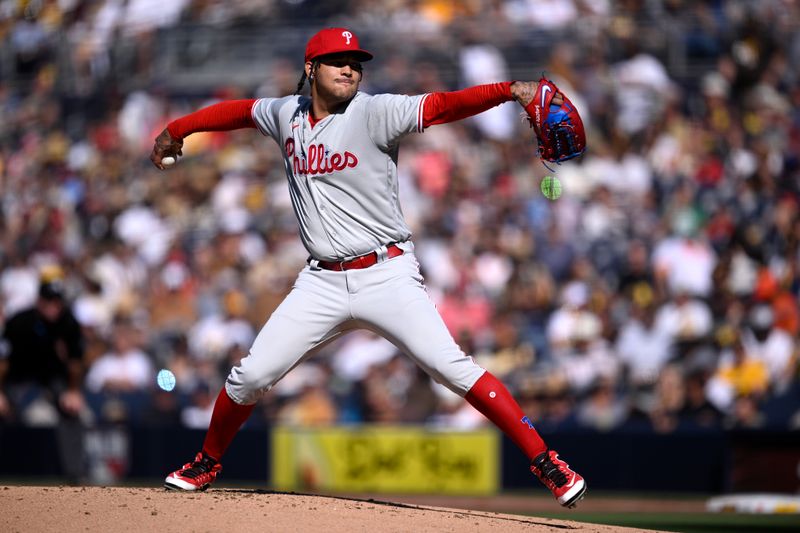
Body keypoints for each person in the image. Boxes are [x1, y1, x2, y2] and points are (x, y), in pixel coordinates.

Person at [151, 27, 586, 508]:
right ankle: (208, 461)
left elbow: (444, 104)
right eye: (338, 60)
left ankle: (547, 461)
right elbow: (236, 112)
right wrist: (179, 128)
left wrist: (510, 91)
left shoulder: (375, 111)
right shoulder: (286, 115)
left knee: (452, 368)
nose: (350, 68)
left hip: (386, 272)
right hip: (320, 281)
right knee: (250, 378)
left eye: (356, 61)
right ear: (310, 69)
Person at [0, 275, 87, 483]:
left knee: (72, 412)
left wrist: (73, 390)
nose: (54, 307)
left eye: (58, 302)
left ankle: (75, 475)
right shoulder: (20, 322)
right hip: (18, 377)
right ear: (39, 301)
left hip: (53, 379)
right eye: (50, 302)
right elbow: (3, 362)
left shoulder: (68, 322)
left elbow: (75, 362)